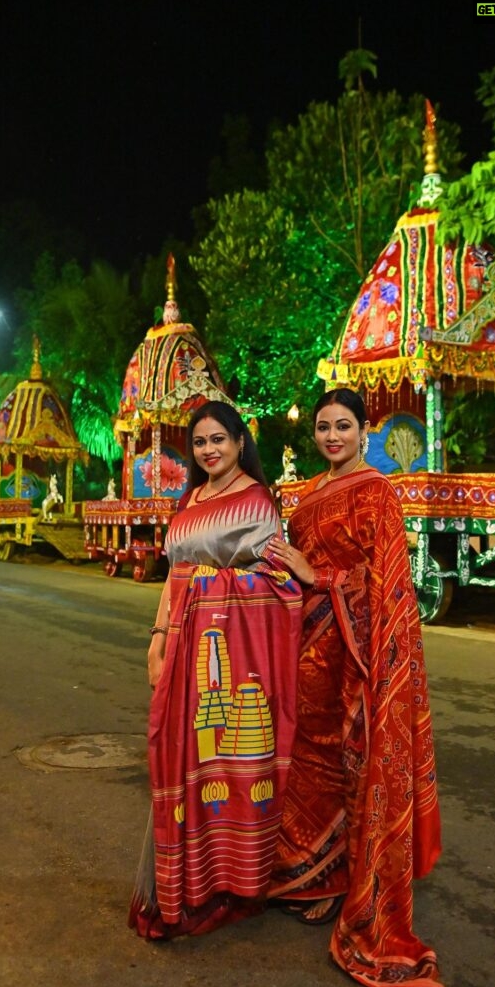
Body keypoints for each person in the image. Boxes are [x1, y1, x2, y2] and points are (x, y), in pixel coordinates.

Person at [266, 387, 446, 987]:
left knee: (355, 763)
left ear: (365, 430)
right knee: (307, 762)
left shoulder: (376, 492)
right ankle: (313, 876)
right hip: (304, 651)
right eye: (323, 427)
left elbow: (387, 579)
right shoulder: (310, 493)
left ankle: (354, 889)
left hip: (356, 651)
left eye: (343, 426)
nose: (332, 436)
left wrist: (323, 577)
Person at [129, 401, 302, 939]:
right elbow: (175, 576)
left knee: (223, 765)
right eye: (200, 442)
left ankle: (226, 885)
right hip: (181, 645)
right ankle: (178, 886)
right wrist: (158, 640)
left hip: (232, 658)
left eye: (218, 440)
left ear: (238, 441)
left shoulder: (256, 502)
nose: (209, 450)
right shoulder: (193, 499)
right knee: (176, 759)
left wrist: (210, 586)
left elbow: (278, 584)